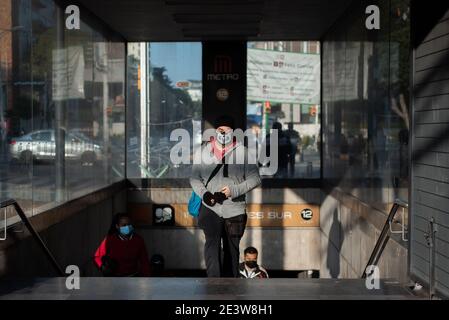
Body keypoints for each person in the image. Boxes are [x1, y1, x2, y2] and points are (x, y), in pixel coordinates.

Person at [190, 115, 261, 278]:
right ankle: (213, 283)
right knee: (212, 246)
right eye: (220, 129)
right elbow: (194, 178)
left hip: (234, 210)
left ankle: (231, 285)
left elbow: (255, 178)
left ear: (233, 131)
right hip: (210, 208)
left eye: (227, 130)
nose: (223, 132)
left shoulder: (243, 152)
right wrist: (205, 194)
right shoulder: (203, 151)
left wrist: (234, 191)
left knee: (232, 249)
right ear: (215, 131)